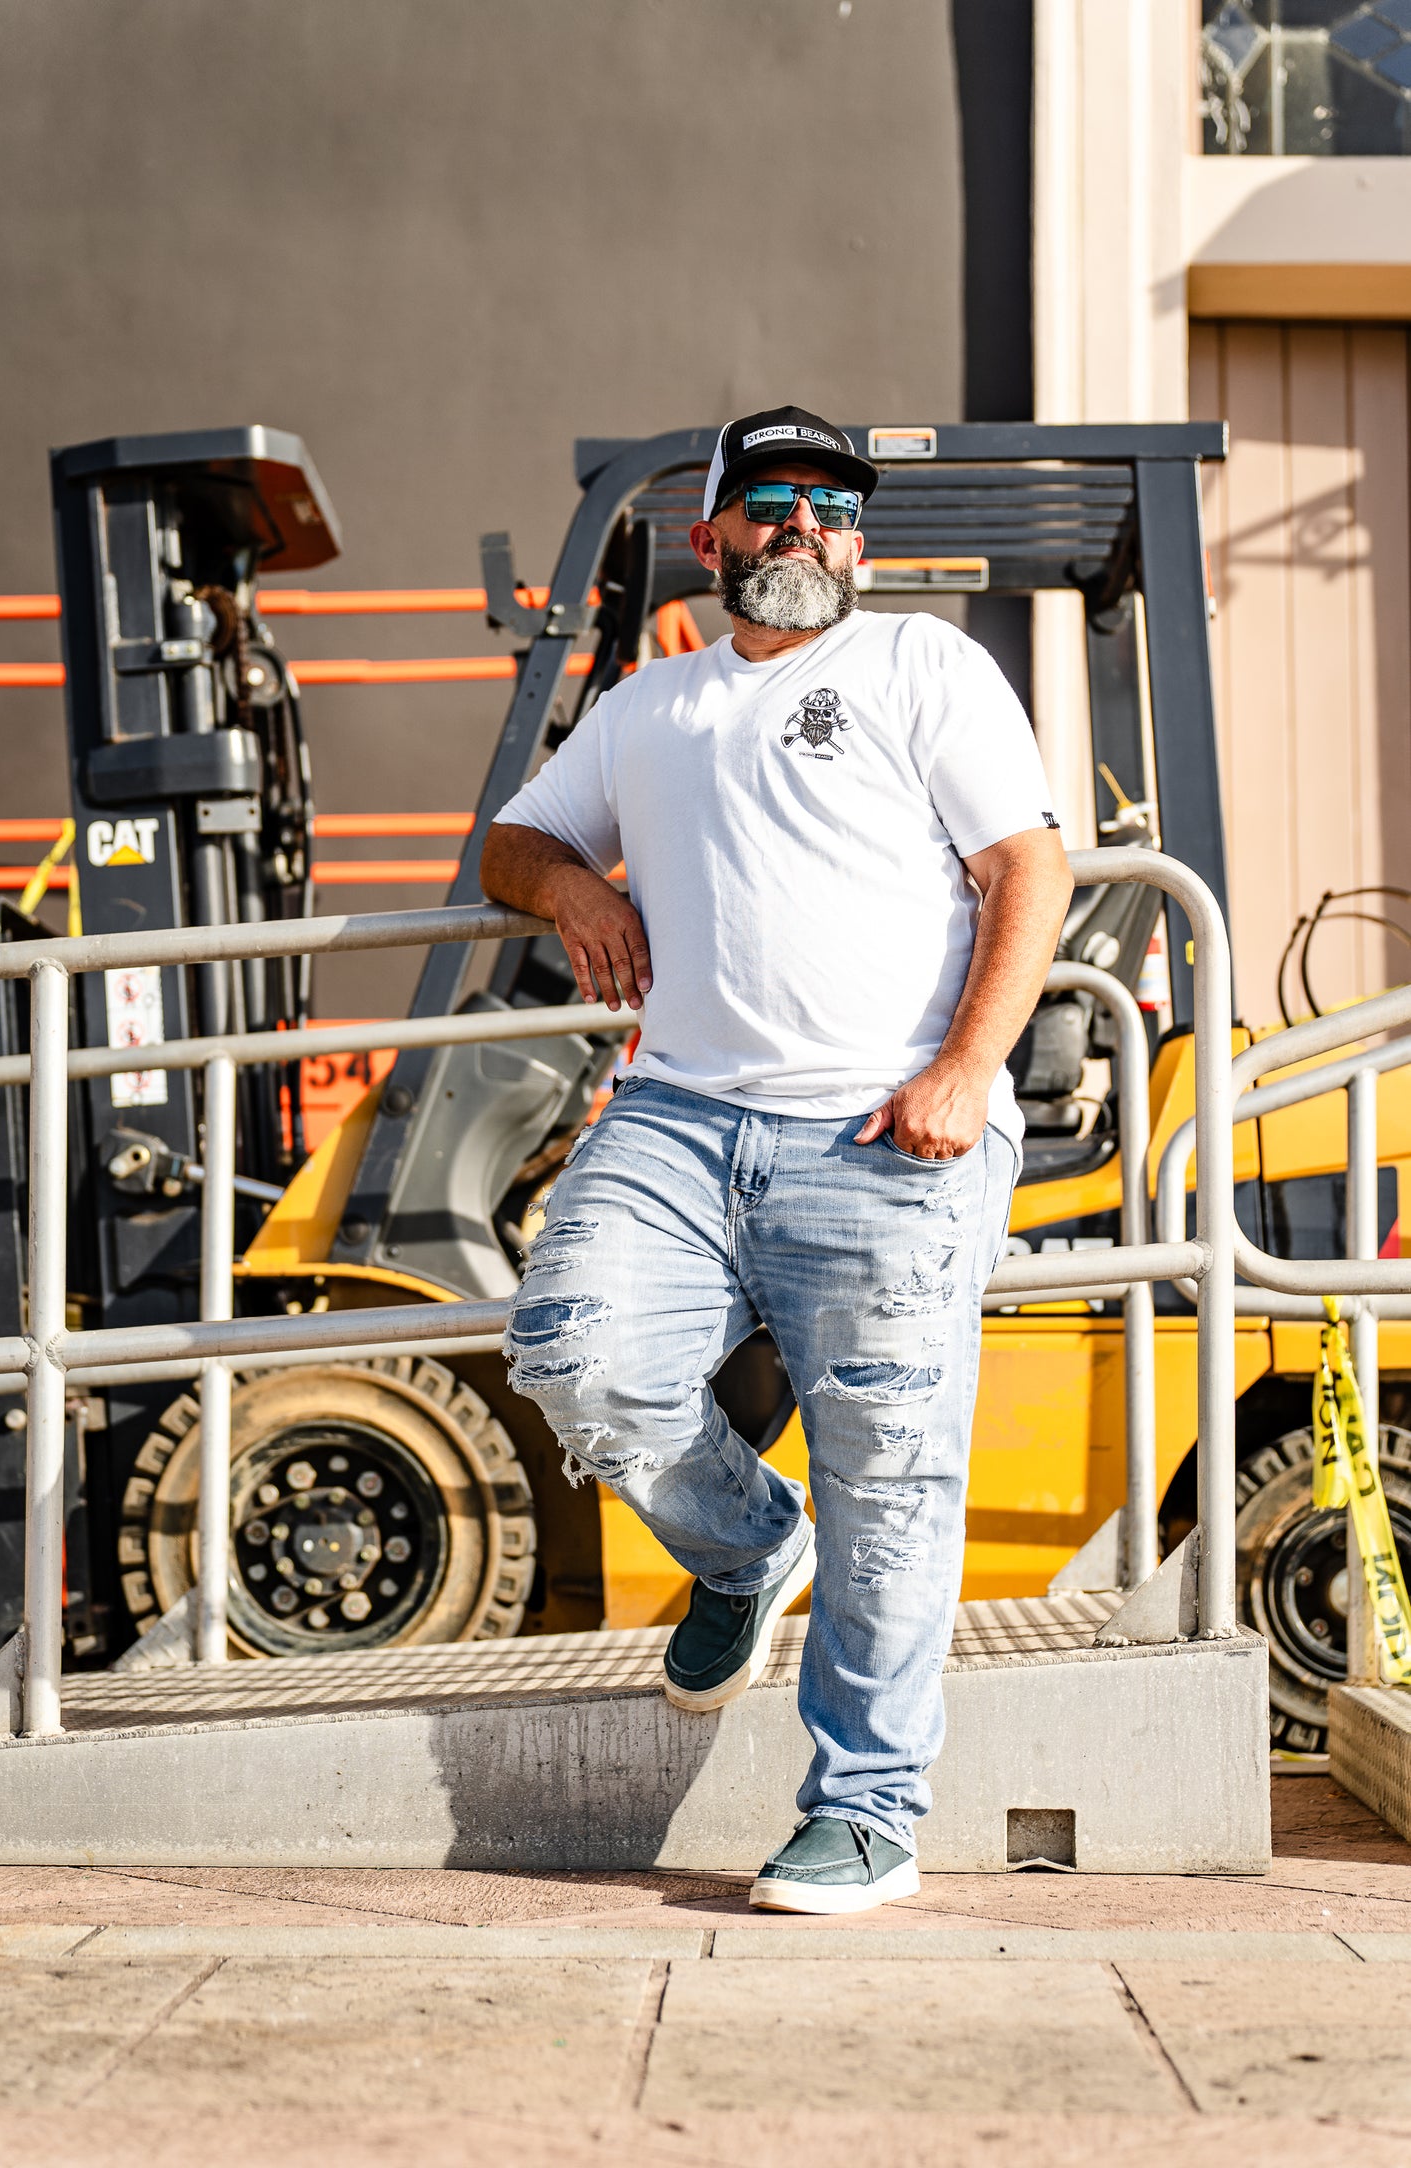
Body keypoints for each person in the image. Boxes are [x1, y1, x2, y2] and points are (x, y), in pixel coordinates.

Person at [480, 405, 1073, 1914]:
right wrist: (567, 891)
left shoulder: (919, 666)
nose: (806, 524)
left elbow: (1027, 869)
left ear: (857, 542)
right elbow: (506, 840)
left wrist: (964, 1068)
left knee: (891, 1473)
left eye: (833, 506)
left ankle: (866, 1811)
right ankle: (748, 1546)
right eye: (774, 501)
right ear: (716, 535)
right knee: (573, 1358)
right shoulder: (645, 704)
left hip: (886, 1124)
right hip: (678, 1117)